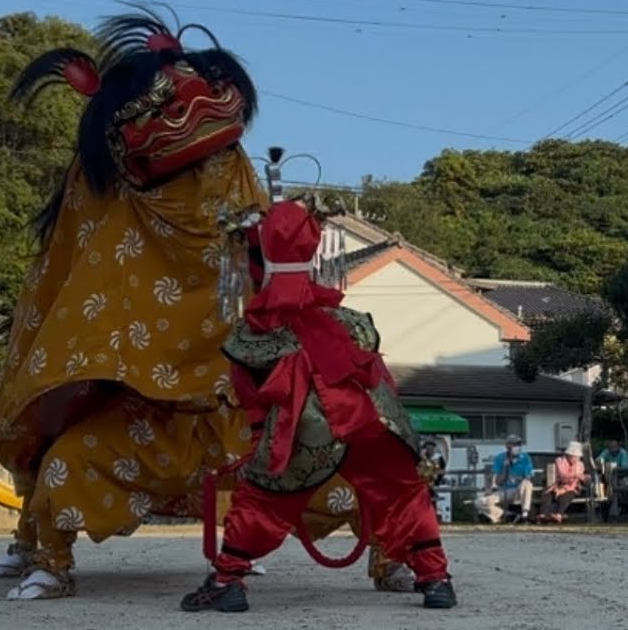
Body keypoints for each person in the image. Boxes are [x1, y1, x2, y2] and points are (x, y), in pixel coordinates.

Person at [0, 8, 359, 600]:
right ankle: (45, 552)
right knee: (64, 462)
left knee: (346, 465)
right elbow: (68, 285)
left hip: (234, 407)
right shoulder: (105, 195)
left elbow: (264, 255)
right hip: (137, 410)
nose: (209, 179)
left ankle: (397, 553)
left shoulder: (231, 171)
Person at [180, 200, 456, 612]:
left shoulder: (255, 332)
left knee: (260, 500)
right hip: (373, 420)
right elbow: (380, 378)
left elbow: (253, 400)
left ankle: (227, 580)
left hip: (306, 427)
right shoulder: (350, 320)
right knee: (403, 493)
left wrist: (261, 446)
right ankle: (436, 579)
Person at [475, 435, 534, 524]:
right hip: (504, 491)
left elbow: (528, 477)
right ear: (508, 446)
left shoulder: (525, 458)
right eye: (514, 444)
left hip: (519, 490)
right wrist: (505, 469)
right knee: (479, 502)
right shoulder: (499, 458)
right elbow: (498, 482)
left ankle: (524, 515)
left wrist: (517, 478)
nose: (517, 446)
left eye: (519, 444)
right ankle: (508, 515)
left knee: (527, 484)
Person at [537, 441, 588, 523]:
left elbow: (575, 482)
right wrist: (576, 475)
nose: (576, 459)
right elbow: (562, 475)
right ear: (569, 455)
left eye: (578, 457)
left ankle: (559, 514)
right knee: (547, 493)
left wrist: (564, 489)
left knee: (568, 495)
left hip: (571, 487)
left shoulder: (580, 464)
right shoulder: (559, 460)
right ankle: (543, 514)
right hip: (557, 484)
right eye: (575, 457)